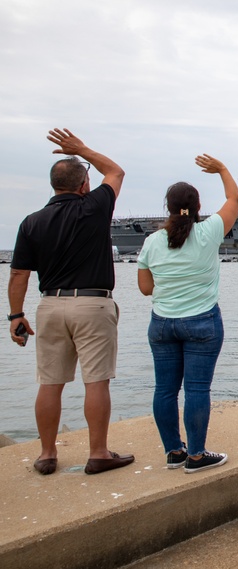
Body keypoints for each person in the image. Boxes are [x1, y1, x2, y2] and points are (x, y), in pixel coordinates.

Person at [7, 128, 131, 475]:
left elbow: (18, 275)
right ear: (83, 186)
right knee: (96, 381)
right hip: (92, 303)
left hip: (49, 305)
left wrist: (15, 316)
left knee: (50, 383)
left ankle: (47, 455)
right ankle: (98, 453)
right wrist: (83, 148)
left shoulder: (31, 222)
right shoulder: (94, 207)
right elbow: (116, 172)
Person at [137, 154, 238, 473]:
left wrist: (171, 284)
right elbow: (234, 200)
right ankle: (196, 455)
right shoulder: (209, 231)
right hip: (202, 322)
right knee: (197, 389)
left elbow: (145, 288)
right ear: (197, 207)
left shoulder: (152, 241)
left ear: (168, 207)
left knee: (165, 390)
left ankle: (173, 452)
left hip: (162, 325)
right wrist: (222, 169)